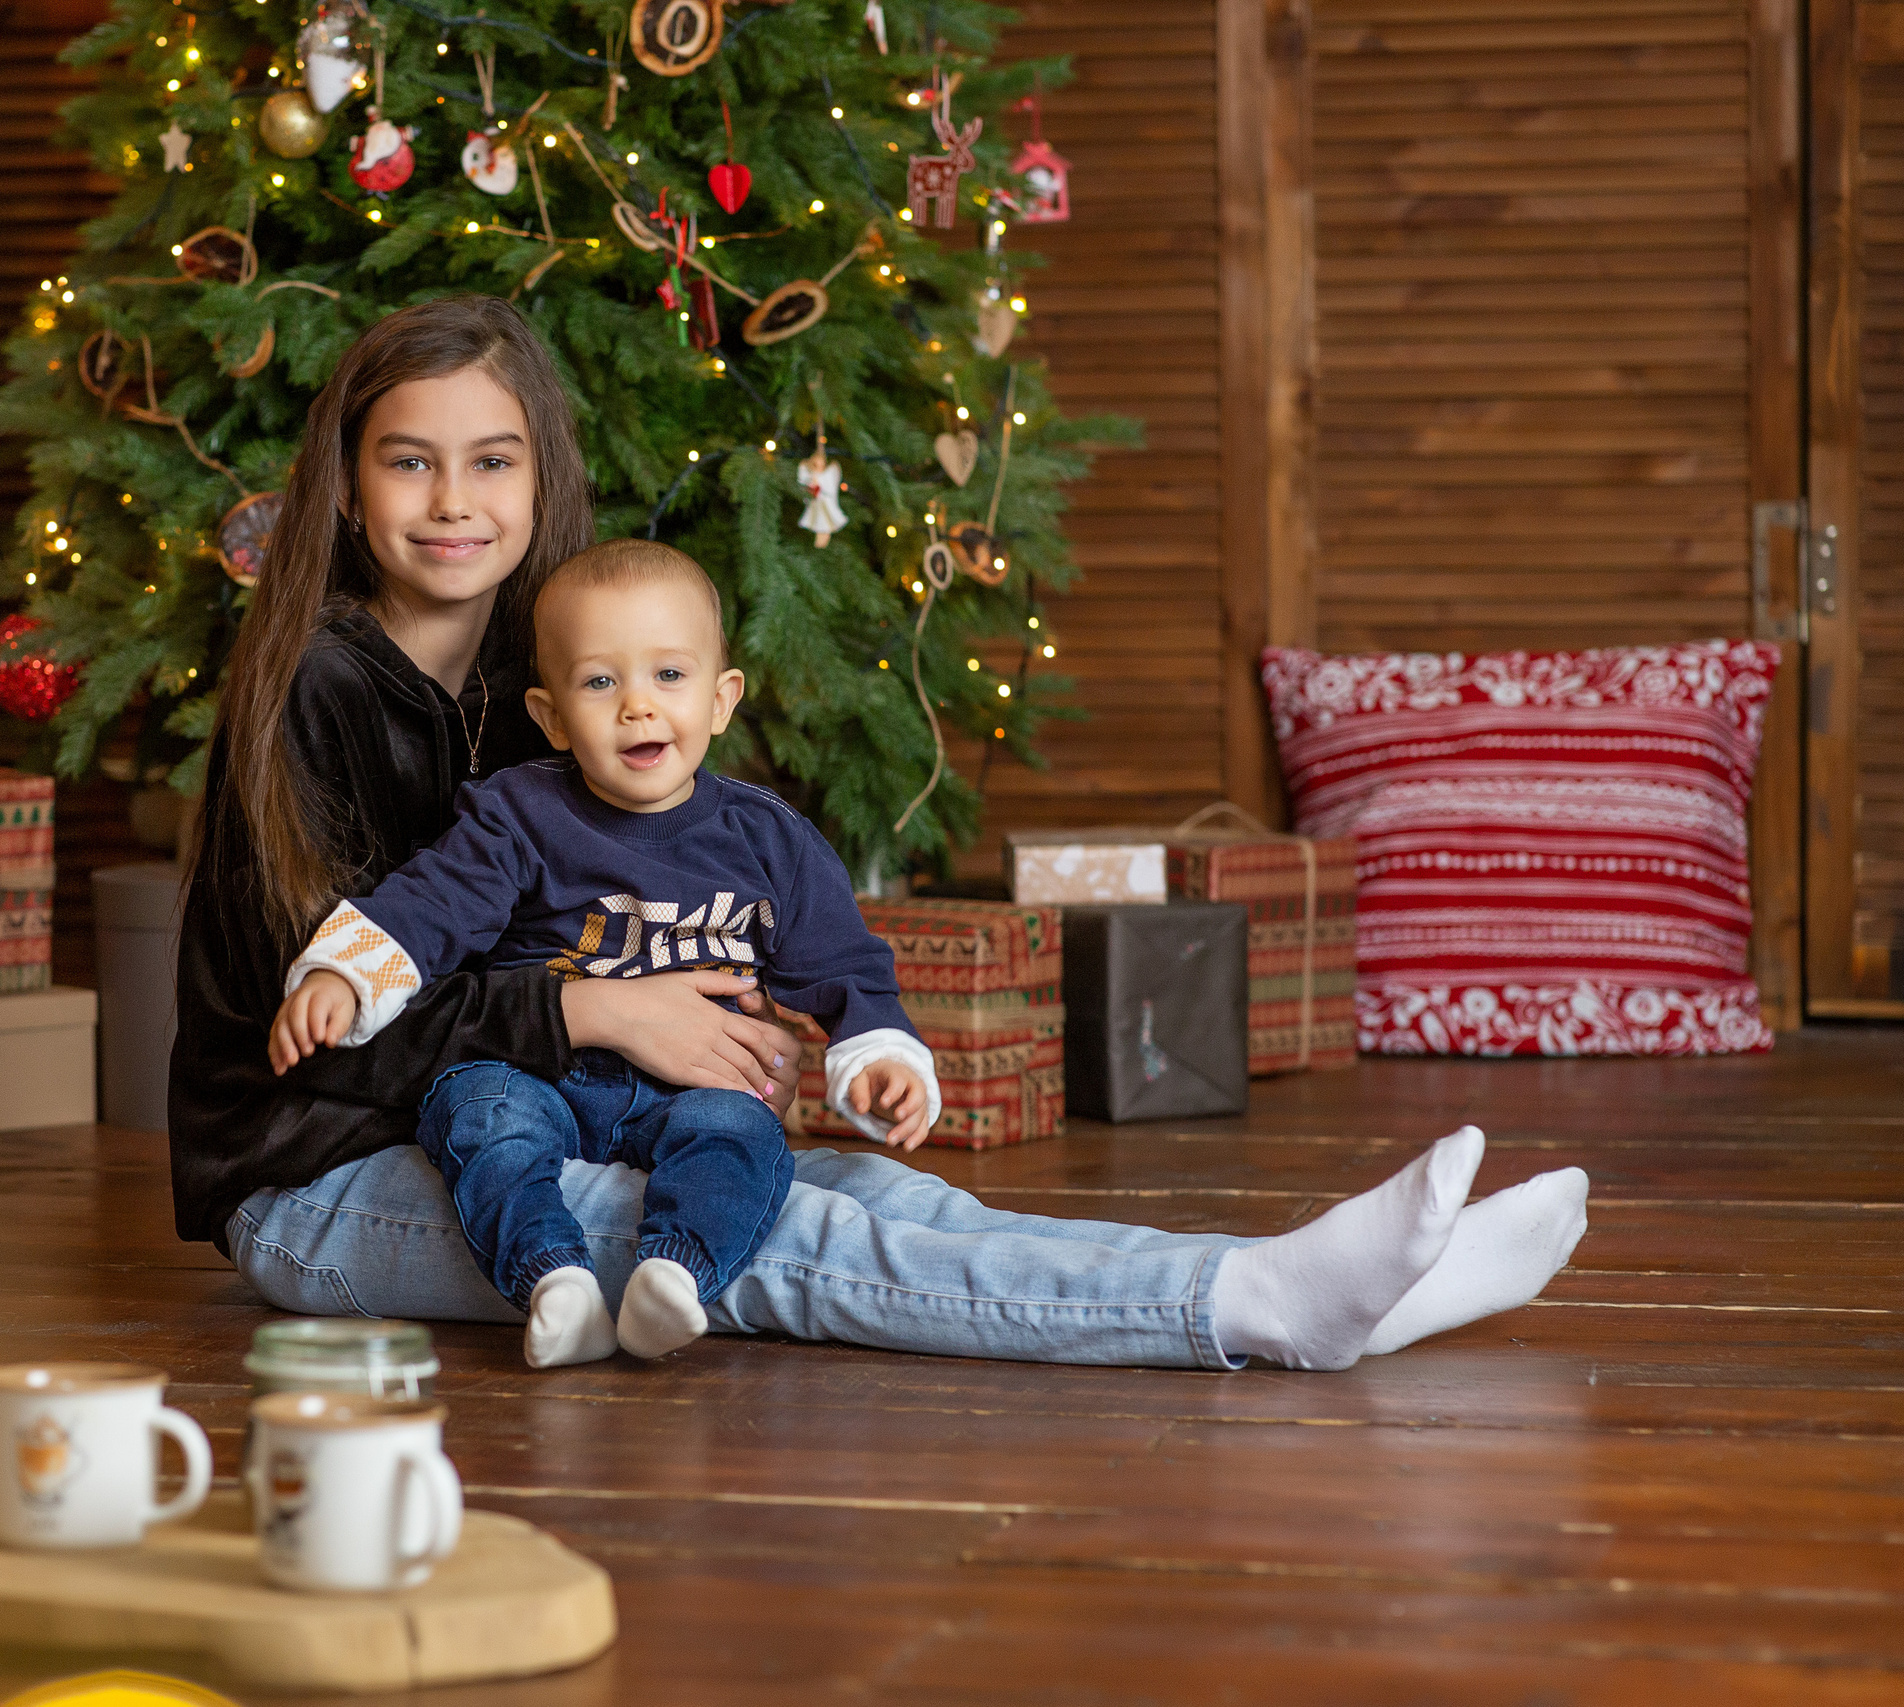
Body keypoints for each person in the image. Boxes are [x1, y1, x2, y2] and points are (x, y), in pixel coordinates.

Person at [171, 294, 1592, 1372]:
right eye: (409, 462)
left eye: (491, 459)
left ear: (541, 477)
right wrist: (599, 1008)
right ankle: (1255, 1307)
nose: (454, 499)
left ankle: (1287, 1271)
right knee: (794, 1239)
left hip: (530, 1113)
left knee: (832, 1177)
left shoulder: (548, 683)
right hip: (324, 1183)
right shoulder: (309, 688)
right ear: (349, 487)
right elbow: (330, 1018)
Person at [267, 540, 942, 1369]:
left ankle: (675, 1275)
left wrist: (878, 1051)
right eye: (600, 681)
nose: (637, 707)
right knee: (477, 1111)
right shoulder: (520, 812)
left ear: (722, 698)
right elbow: (432, 902)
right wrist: (348, 969)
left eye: (669, 675)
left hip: (690, 1087)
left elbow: (847, 963)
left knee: (741, 1131)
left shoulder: (770, 840)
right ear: (551, 716)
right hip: (543, 1075)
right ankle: (554, 1279)